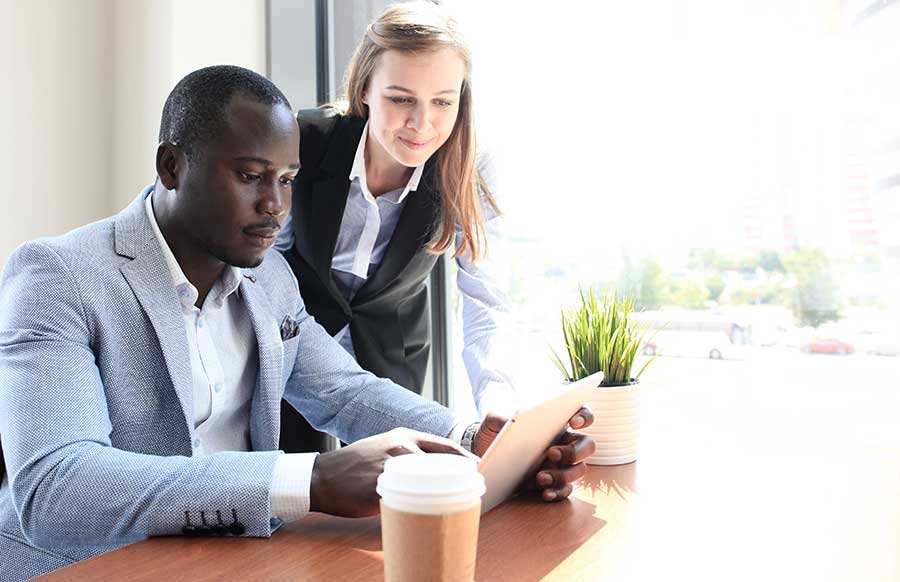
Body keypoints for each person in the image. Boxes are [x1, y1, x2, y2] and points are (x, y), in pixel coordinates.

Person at [0, 66, 594, 582]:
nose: (275, 206)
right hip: (92, 566)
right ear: (172, 166)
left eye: (286, 180)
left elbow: (342, 390)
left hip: (238, 558)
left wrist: (470, 442)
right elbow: (57, 486)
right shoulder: (58, 275)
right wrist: (310, 478)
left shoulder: (270, 280)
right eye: (252, 176)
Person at [276, 2, 516, 453]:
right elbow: (265, 268)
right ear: (365, 88)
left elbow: (487, 298)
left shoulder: (469, 170)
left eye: (442, 102)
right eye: (401, 98)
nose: (422, 124)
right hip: (292, 347)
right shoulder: (302, 141)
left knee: (390, 499)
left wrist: (497, 400)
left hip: (392, 358)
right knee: (296, 492)